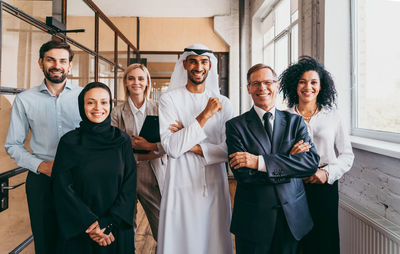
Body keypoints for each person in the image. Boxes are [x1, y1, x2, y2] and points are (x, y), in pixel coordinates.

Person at [226, 63, 320, 254]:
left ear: (276, 86)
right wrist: (290, 162)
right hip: (253, 221)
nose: (262, 88)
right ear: (249, 88)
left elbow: (310, 164)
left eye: (268, 82)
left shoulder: (295, 122)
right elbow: (244, 174)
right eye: (256, 83)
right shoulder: (235, 126)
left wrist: (258, 162)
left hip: (292, 218)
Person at [4, 40, 81, 254]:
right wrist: (41, 166)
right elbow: (13, 144)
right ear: (41, 62)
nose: (57, 65)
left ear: (70, 65)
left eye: (62, 61)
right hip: (42, 179)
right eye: (51, 59)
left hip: (80, 178)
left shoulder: (84, 97)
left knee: (80, 239)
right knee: (45, 242)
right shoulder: (24, 99)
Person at [157, 44, 233, 254]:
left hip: (214, 183)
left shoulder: (224, 104)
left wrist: (188, 140)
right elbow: (172, 147)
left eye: (203, 62)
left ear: (210, 66)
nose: (198, 67)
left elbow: (228, 150)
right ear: (185, 64)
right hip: (180, 183)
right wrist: (205, 115)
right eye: (193, 61)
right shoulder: (169, 100)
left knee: (213, 240)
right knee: (180, 240)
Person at [279, 56, 354, 254]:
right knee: (295, 240)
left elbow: (347, 155)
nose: (308, 87)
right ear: (294, 85)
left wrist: (327, 173)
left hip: (324, 187)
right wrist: (292, 157)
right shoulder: (284, 117)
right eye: (302, 81)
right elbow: (276, 157)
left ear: (321, 86)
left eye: (314, 82)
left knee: (325, 240)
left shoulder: (333, 116)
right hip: (293, 186)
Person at [52, 82, 137, 253]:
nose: (98, 107)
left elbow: (129, 185)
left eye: (104, 102)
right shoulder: (69, 142)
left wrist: (109, 223)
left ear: (110, 105)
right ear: (82, 106)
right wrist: (91, 224)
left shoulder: (122, 140)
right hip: (80, 228)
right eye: (91, 102)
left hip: (115, 227)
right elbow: (62, 187)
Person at [111, 63, 166, 241]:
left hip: (152, 174)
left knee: (162, 228)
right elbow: (114, 149)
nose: (136, 82)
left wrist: (150, 148)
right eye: (131, 78)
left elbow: (169, 143)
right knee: (126, 229)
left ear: (147, 82)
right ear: (125, 82)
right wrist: (145, 153)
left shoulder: (159, 109)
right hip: (125, 174)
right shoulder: (116, 113)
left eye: (141, 78)